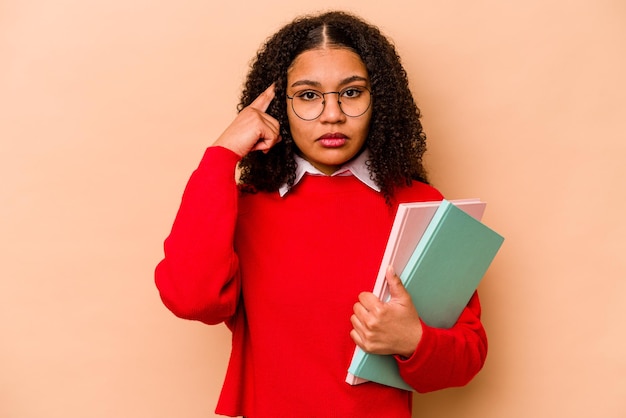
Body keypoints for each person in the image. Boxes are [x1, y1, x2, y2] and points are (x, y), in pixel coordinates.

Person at [155, 10, 487, 417]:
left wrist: (413, 340)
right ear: (279, 107)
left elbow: (467, 355)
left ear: (377, 100)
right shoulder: (245, 205)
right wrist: (222, 156)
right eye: (309, 95)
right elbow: (192, 299)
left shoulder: (420, 204)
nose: (333, 114)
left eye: (351, 92)